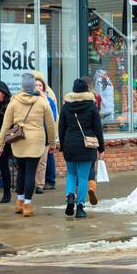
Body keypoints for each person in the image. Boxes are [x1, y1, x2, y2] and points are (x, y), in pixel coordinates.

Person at [0, 72, 58, 217]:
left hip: (18, 140)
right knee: (31, 172)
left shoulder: (14, 101)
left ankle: (19, 202)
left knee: (21, 171)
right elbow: (50, 124)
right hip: (36, 141)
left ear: (23, 86)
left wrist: (0, 145)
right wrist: (53, 142)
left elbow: (5, 125)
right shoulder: (42, 101)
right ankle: (27, 204)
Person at [59, 77, 105, 219]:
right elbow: (98, 128)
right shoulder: (91, 106)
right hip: (87, 145)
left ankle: (70, 197)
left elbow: (61, 128)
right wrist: (101, 148)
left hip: (70, 145)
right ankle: (80, 207)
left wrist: (62, 146)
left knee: (71, 174)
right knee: (84, 177)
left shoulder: (66, 106)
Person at [32, 73, 59, 193]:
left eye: (40, 85)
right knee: (31, 160)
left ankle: (40, 185)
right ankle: (29, 183)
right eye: (35, 85)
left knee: (42, 161)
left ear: (43, 88)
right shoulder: (27, 100)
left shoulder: (49, 101)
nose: (37, 87)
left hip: (44, 135)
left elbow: (52, 118)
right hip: (30, 135)